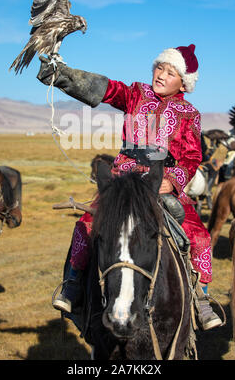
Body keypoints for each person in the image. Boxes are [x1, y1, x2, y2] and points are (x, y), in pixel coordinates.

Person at [37, 43, 222, 331]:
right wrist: (61, 74)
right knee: (87, 224)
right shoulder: (136, 94)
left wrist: (173, 180)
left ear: (183, 82)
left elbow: (192, 156)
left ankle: (201, 298)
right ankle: (73, 284)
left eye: (170, 72)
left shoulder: (189, 113)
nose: (161, 75)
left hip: (163, 182)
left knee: (199, 236)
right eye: (160, 67)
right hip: (124, 178)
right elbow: (105, 88)